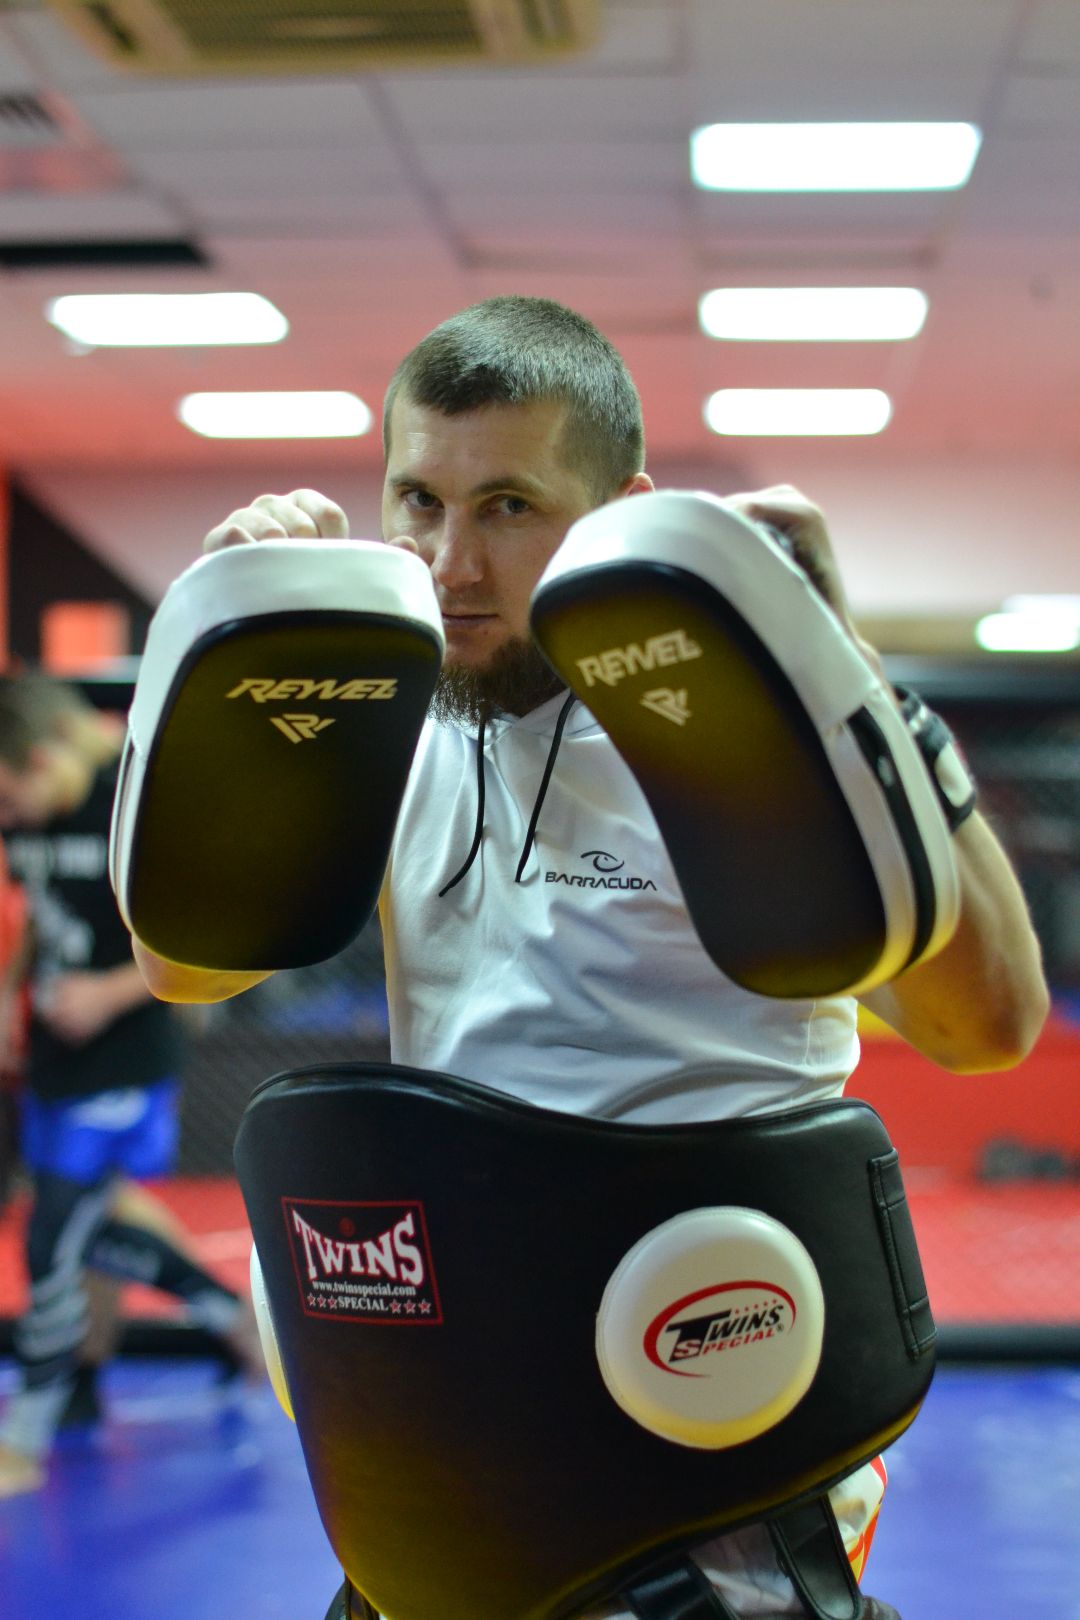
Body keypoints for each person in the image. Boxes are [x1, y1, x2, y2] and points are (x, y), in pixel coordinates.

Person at [130, 296, 1049, 1618]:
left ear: (622, 510)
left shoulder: (724, 730)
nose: (452, 563)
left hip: (712, 1454)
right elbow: (189, 969)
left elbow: (989, 1026)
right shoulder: (391, 723)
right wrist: (236, 685)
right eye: (419, 501)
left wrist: (849, 681)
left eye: (509, 506)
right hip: (451, 1434)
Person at [0, 680, 262, 1497]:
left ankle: (23, 1439)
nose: (8, 817)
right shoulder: (34, 810)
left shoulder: (139, 801)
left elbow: (207, 939)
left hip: (130, 1049)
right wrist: (9, 991)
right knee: (87, 1217)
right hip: (59, 1050)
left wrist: (107, 995)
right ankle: (230, 1321)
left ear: (43, 756)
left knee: (54, 1234)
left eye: (9, 797)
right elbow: (44, 907)